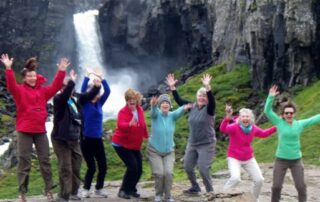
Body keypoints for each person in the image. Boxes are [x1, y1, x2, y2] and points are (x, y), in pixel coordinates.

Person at [0, 53, 69, 202]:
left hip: (40, 131)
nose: (32, 78)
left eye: (34, 75)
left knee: (45, 161)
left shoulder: (43, 92)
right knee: (24, 161)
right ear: (25, 78)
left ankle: (49, 189)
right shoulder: (19, 91)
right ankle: (22, 193)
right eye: (29, 76)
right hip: (24, 131)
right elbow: (11, 85)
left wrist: (62, 71)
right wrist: (8, 69)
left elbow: (56, 86)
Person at [51, 70, 102, 202]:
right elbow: (64, 95)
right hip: (61, 139)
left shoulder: (76, 98)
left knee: (77, 166)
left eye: (67, 86)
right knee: (66, 168)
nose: (65, 88)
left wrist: (96, 86)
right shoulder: (58, 99)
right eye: (63, 86)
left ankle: (73, 192)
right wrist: (71, 82)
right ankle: (63, 195)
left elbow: (89, 95)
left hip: (75, 138)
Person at [264, 85, 320, 202]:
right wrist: (270, 97)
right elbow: (267, 111)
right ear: (283, 115)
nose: (289, 115)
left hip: (296, 161)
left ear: (294, 114)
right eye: (286, 113)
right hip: (281, 160)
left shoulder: (299, 124)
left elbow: (315, 118)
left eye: (291, 113)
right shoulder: (279, 122)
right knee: (276, 187)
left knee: (301, 187)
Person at [166, 73, 216, 199]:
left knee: (203, 168)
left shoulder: (210, 109)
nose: (202, 97)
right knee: (188, 167)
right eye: (200, 95)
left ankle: (210, 191)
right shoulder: (192, 106)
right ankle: (195, 187)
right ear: (196, 96)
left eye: (204, 96)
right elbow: (179, 101)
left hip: (207, 143)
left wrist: (207, 87)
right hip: (193, 143)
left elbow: (212, 101)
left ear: (207, 98)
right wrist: (173, 88)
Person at [220, 105, 276, 202]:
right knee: (236, 178)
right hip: (234, 158)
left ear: (251, 118)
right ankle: (222, 197)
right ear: (240, 118)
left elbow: (263, 133)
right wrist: (227, 119)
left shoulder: (253, 128)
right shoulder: (234, 127)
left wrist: (276, 127)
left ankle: (254, 199)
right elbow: (223, 129)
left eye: (247, 116)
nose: (245, 118)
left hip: (248, 158)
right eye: (243, 116)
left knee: (259, 180)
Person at [148, 94, 192, 202]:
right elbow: (153, 112)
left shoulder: (172, 116)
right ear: (160, 105)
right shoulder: (156, 114)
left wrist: (185, 107)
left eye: (167, 103)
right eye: (163, 102)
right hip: (154, 150)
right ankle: (158, 195)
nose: (165, 104)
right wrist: (153, 105)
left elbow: (179, 111)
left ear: (170, 105)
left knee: (168, 173)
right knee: (159, 173)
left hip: (169, 151)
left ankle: (168, 196)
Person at [111, 88, 148, 200]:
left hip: (134, 145)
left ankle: (131, 189)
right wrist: (129, 124)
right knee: (132, 166)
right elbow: (120, 125)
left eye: (133, 99)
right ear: (126, 101)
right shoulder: (122, 112)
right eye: (129, 100)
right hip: (121, 144)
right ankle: (123, 190)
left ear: (137, 100)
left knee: (139, 169)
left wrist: (146, 135)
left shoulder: (140, 110)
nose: (132, 102)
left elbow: (143, 124)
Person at [80, 69, 110, 198]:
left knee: (103, 166)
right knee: (91, 167)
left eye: (97, 91)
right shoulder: (84, 103)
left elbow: (108, 91)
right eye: (94, 90)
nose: (96, 93)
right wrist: (87, 77)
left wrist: (102, 78)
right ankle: (86, 189)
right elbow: (82, 92)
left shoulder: (99, 103)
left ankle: (99, 188)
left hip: (97, 139)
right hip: (86, 139)